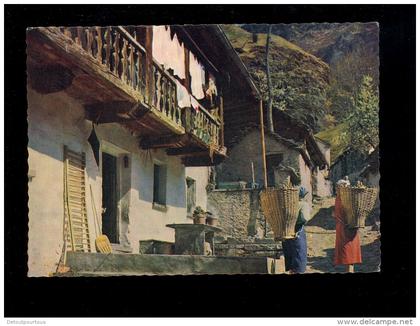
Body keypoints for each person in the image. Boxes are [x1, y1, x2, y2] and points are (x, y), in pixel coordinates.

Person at [334, 177, 362, 272]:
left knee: (349, 254)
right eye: (338, 187)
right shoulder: (341, 198)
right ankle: (350, 270)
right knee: (348, 253)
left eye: (339, 187)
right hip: (344, 228)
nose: (337, 189)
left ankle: (350, 270)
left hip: (348, 227)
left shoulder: (345, 198)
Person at [282, 186, 310, 274]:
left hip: (287, 231)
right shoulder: (303, 204)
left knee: (290, 253)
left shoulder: (289, 204)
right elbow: (304, 218)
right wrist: (299, 222)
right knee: (299, 253)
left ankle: (291, 271)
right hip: (298, 231)